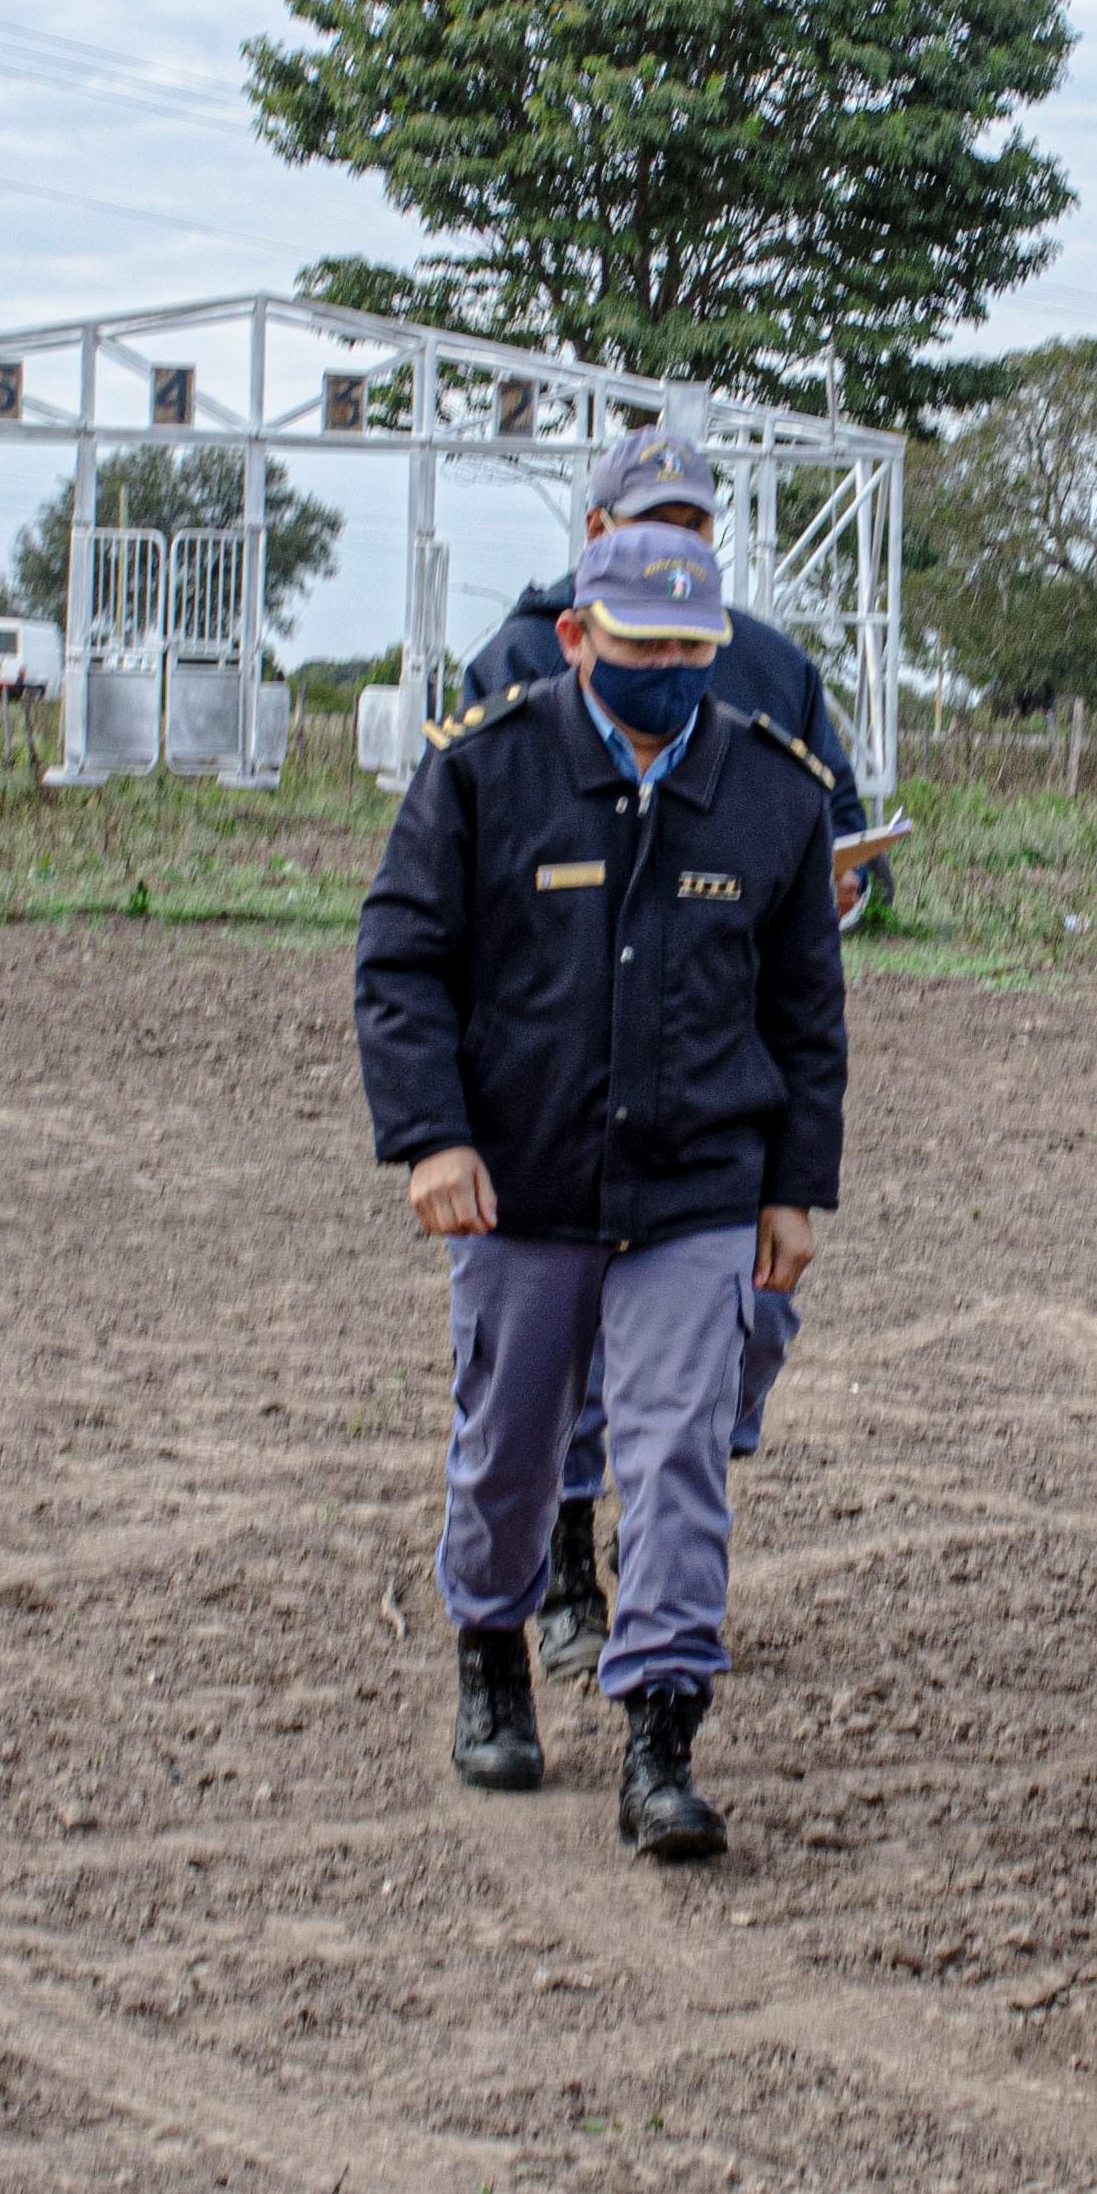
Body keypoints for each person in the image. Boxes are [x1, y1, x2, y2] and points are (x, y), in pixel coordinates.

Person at [357, 521, 847, 1860]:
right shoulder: (482, 774)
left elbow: (807, 1011)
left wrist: (795, 1186)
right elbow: (400, 964)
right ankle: (491, 1652)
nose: (673, 672)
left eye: (695, 648)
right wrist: (432, 1137)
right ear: (578, 638)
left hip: (698, 1189)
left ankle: (660, 1734)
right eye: (644, 647)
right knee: (512, 1451)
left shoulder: (771, 795)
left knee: (676, 1448)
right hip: (521, 1184)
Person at [469, 429, 871, 1682]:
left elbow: (837, 835)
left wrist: (845, 883)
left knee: (734, 1331)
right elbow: (445, 883)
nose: (680, 540)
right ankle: (570, 1571)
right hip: (558, 1079)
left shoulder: (769, 666)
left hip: (717, 1075)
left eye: (696, 521)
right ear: (595, 537)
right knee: (544, 1374)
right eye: (654, 518)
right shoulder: (519, 661)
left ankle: (659, 1550)